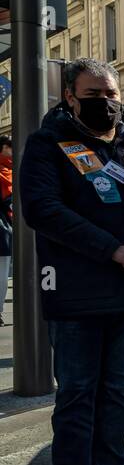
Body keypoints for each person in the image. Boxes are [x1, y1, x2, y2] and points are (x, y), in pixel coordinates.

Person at [20, 57, 124, 465]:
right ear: (69, 97)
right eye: (93, 95)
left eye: (110, 94)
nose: (104, 103)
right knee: (78, 392)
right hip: (77, 292)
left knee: (119, 390)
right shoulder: (47, 144)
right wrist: (110, 250)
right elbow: (42, 210)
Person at [0, 135, 13, 326]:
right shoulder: (6, 172)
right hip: (2, 230)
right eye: (10, 147)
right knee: (2, 272)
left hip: (5, 228)